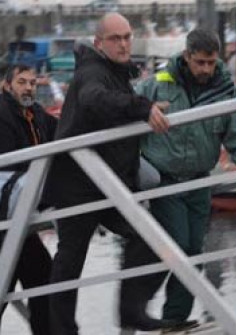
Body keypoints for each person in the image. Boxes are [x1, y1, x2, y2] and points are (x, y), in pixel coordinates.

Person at [43, 13, 194, 334]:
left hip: (109, 184)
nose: (124, 43)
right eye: (116, 38)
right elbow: (94, 100)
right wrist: (142, 107)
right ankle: (63, 331)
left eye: (127, 36)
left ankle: (130, 311)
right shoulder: (92, 72)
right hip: (77, 184)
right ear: (99, 43)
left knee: (149, 237)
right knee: (70, 262)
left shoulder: (116, 73)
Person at [137, 28, 236, 325]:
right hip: (164, 180)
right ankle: (143, 312)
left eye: (211, 63)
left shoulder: (223, 89)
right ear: (187, 57)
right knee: (180, 246)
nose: (206, 69)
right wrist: (143, 111)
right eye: (200, 63)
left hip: (199, 181)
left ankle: (175, 320)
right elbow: (126, 110)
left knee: (195, 251)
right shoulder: (156, 85)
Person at [0, 63, 57, 334]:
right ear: (7, 86)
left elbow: (63, 131)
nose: (29, 87)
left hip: (22, 211)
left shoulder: (35, 113)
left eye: (32, 82)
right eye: (22, 82)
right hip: (7, 212)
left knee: (8, 281)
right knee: (28, 277)